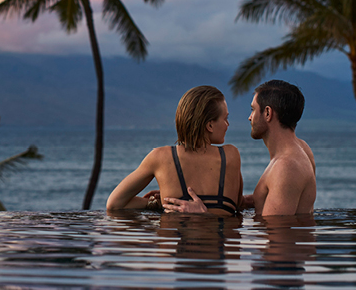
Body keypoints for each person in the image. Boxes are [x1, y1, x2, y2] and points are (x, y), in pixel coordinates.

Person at [164, 79, 315, 216]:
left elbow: (275, 234)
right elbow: (279, 198)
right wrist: (176, 194)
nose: (250, 117)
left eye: (253, 110)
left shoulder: (286, 167)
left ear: (268, 113)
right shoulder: (302, 149)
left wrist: (204, 215)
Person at [106, 85, 242, 216]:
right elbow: (238, 205)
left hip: (177, 238)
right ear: (210, 125)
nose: (227, 124)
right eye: (225, 118)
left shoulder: (161, 157)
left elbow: (114, 204)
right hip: (221, 236)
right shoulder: (231, 155)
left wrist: (156, 203)